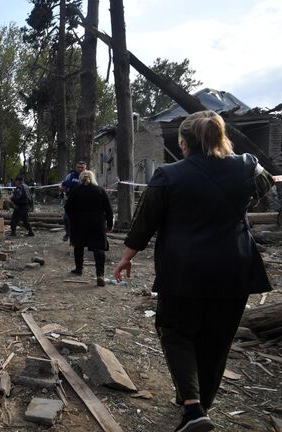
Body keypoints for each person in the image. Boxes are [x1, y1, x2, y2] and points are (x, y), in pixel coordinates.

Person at [113, 110, 273, 432]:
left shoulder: (169, 175)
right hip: (235, 268)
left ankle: (193, 407)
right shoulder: (246, 165)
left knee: (175, 331)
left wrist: (126, 256)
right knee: (218, 339)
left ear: (184, 142)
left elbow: (146, 222)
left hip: (184, 270)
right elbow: (265, 187)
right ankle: (202, 403)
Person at [64, 170, 113, 286]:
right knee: (99, 247)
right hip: (97, 222)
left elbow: (67, 208)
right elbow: (109, 209)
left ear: (80, 179)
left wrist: (71, 219)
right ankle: (100, 274)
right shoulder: (100, 190)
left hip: (79, 222)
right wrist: (110, 224)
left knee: (79, 245)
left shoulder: (75, 190)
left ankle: (78, 269)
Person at [59, 161, 87, 241]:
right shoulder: (71, 175)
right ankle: (68, 233)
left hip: (83, 202)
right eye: (78, 167)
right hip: (70, 201)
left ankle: (82, 235)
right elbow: (63, 185)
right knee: (66, 218)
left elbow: (94, 186)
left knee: (82, 219)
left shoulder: (88, 175)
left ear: (85, 168)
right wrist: (62, 188)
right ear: (76, 167)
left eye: (82, 167)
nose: (80, 169)